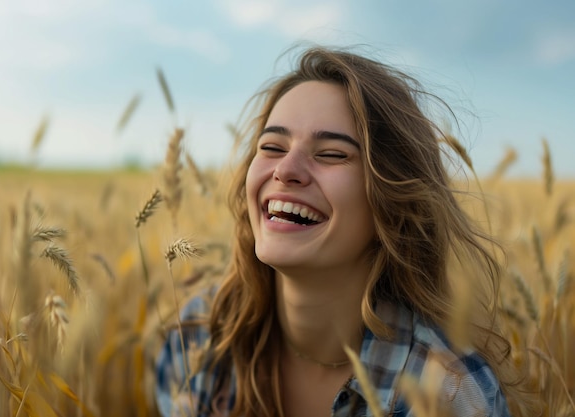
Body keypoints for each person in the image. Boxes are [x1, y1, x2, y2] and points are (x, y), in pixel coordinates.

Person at [155, 46, 537, 417]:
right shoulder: (198, 338)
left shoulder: (448, 393)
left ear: (393, 201)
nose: (286, 169)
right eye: (271, 146)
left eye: (332, 154)